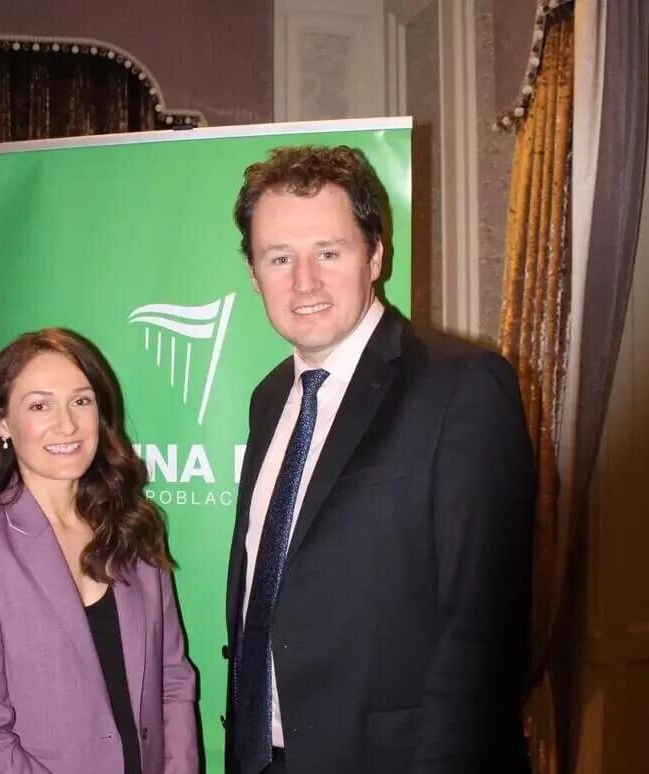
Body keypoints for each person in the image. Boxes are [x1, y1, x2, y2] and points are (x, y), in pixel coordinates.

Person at [224, 146, 535, 774]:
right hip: (265, 755)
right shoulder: (268, 400)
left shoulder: (462, 387)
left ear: (375, 256)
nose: (303, 281)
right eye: (279, 257)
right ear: (255, 274)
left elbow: (483, 633)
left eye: (329, 252)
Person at [0, 328, 198, 774]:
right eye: (39, 405)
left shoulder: (134, 525)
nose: (67, 424)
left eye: (81, 400)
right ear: (2, 422)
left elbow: (173, 680)